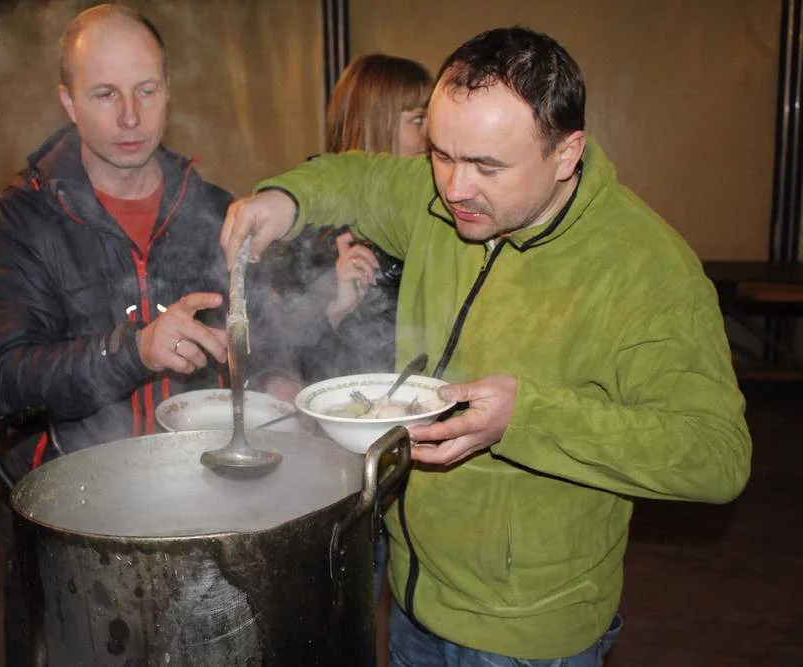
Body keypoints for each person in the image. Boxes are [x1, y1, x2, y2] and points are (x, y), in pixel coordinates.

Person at [221, 27, 751, 666]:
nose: (454, 188)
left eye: (487, 167)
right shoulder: (439, 199)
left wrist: (527, 418)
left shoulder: (644, 269)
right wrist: (286, 198)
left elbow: (715, 456)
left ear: (566, 154)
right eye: (441, 154)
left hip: (526, 633)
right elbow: (359, 177)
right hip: (416, 595)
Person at [0, 5, 232, 663]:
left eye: (147, 90)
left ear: (168, 90)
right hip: (73, 524)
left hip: (200, 511)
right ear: (68, 101)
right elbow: (7, 375)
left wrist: (316, 314)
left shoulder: (211, 207)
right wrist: (133, 349)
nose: (131, 116)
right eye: (105, 94)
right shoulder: (23, 220)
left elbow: (254, 336)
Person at [255, 53, 432, 390]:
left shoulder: (432, 212)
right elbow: (278, 363)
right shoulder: (308, 234)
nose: (432, 136)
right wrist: (334, 309)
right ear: (374, 123)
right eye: (419, 119)